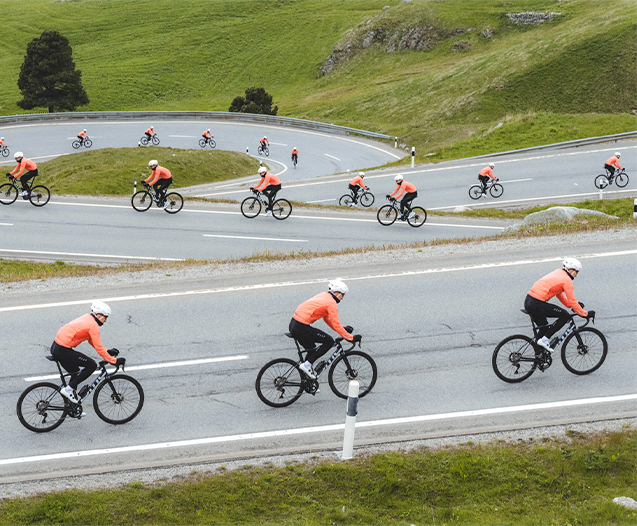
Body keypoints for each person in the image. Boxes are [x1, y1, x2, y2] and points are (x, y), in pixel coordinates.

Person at [51, 301, 124, 404]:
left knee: (76, 372)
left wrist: (107, 351)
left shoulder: (88, 318)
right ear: (99, 315)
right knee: (91, 365)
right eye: (105, 317)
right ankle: (68, 390)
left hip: (56, 347)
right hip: (63, 350)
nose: (106, 320)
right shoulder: (93, 326)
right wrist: (114, 361)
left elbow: (92, 341)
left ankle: (70, 404)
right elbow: (98, 348)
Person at [289, 280, 361, 379]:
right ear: (337, 293)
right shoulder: (331, 303)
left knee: (312, 349)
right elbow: (336, 324)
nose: (343, 297)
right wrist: (350, 338)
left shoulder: (324, 295)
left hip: (294, 324)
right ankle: (307, 365)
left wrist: (342, 330)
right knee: (329, 341)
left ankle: (306, 378)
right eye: (342, 294)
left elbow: (328, 319)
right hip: (301, 326)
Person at [524, 258, 594, 353]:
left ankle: (539, 354)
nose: (576, 275)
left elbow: (559, 294)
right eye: (576, 272)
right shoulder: (567, 280)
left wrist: (573, 306)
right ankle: (544, 341)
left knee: (544, 328)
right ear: (571, 270)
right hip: (537, 303)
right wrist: (585, 314)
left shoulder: (559, 272)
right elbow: (572, 301)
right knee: (565, 315)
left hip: (529, 301)